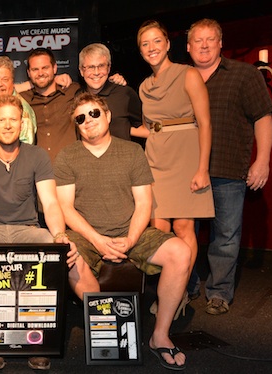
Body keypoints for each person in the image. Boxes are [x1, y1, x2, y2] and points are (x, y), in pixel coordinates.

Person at [54, 93, 191, 370]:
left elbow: (143, 204)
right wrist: (98, 240)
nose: (88, 121)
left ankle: (160, 336)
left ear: (107, 116)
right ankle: (107, 332)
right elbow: (66, 209)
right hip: (87, 235)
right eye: (80, 118)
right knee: (66, 251)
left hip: (131, 230)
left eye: (93, 114)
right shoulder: (67, 155)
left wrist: (129, 240)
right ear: (76, 125)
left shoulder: (132, 152)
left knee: (181, 251)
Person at [0, 95, 93, 371]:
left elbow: (51, 202)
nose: (7, 125)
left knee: (56, 254)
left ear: (23, 123)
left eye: (13, 119)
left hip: (28, 230)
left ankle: (38, 341)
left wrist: (58, 236)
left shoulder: (38, 155)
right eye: (1, 119)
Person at [186, 18, 272, 315]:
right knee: (184, 234)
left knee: (225, 235)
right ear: (188, 47)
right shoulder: (180, 78)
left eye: (210, 39)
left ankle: (220, 292)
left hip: (228, 167)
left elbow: (264, 118)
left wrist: (262, 161)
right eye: (198, 40)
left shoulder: (244, 74)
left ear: (221, 43)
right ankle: (185, 288)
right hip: (186, 171)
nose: (204, 45)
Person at [137, 20, 214, 284]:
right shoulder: (144, 87)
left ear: (168, 44)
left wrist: (202, 169)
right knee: (158, 228)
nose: (152, 47)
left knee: (183, 226)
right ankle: (167, 286)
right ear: (140, 51)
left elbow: (204, 123)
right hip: (156, 156)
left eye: (157, 41)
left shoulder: (188, 74)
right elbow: (150, 129)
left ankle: (179, 290)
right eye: (145, 44)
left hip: (186, 154)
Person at [19, 48, 81, 163]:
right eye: (35, 69)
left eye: (45, 68)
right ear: (28, 73)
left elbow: (96, 83)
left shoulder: (73, 91)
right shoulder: (22, 99)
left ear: (54, 68)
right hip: (37, 170)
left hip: (70, 166)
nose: (40, 73)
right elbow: (0, 89)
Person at [79, 43, 148, 140]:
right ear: (81, 71)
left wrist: (124, 129)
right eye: (90, 67)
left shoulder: (125, 94)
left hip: (121, 154)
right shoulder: (76, 96)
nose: (96, 72)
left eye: (101, 66)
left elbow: (143, 127)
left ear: (109, 68)